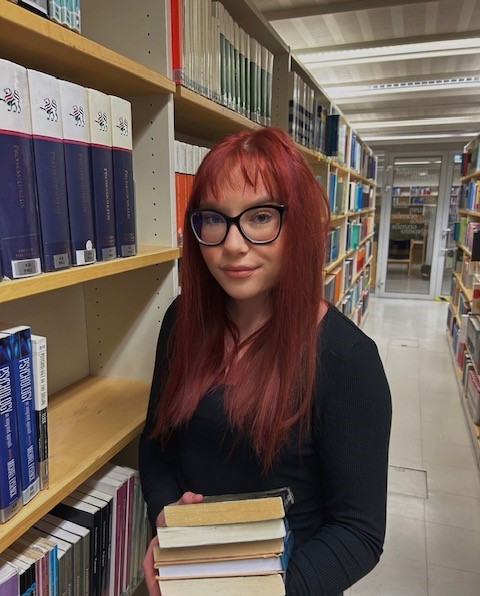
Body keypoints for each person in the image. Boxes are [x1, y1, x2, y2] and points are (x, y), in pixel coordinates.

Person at [139, 126, 392, 595]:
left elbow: (358, 532)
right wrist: (165, 520)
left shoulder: (347, 359)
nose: (233, 244)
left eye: (258, 217)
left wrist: (256, 592)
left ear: (296, 226)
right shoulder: (182, 321)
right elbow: (157, 447)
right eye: (214, 219)